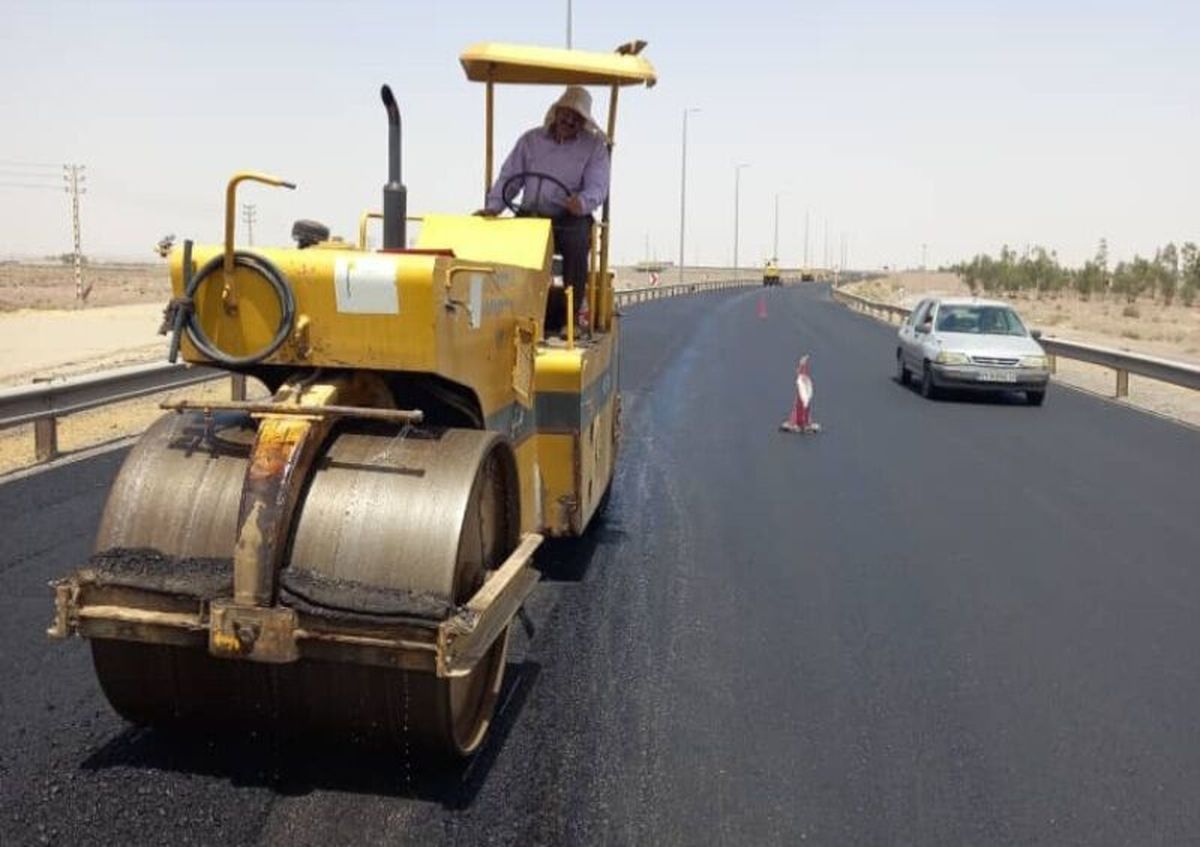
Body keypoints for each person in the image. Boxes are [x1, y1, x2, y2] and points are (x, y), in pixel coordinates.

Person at [475, 86, 610, 332]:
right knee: (498, 238)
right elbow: (510, 177)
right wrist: (493, 207)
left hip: (567, 218)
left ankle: (572, 317)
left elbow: (597, 187)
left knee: (579, 238)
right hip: (530, 216)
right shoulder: (531, 141)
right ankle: (503, 311)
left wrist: (580, 202)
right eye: (565, 113)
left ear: (583, 122)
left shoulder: (594, 148)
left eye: (576, 117)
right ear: (556, 112)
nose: (568, 120)